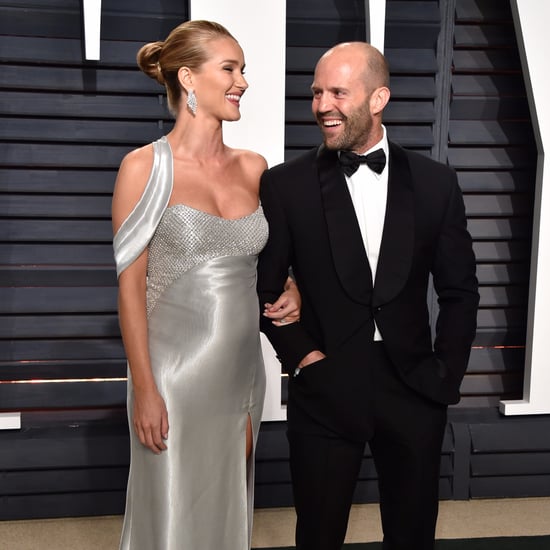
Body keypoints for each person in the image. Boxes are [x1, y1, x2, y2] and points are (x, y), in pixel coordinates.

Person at [257, 42, 480, 550]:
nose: (321, 105)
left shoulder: (436, 183)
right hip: (325, 386)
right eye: (316, 93)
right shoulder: (284, 185)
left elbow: (460, 291)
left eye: (338, 92)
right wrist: (305, 360)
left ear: (378, 98)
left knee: (411, 534)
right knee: (318, 536)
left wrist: (444, 377)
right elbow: (267, 288)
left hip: (414, 390)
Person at [111, 20, 300, 550]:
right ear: (189, 78)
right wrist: (145, 390)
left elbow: (270, 263)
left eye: (243, 69)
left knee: (224, 508)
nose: (242, 80)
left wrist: (293, 288)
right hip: (170, 377)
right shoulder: (143, 168)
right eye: (230, 68)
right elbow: (129, 291)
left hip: (242, 375)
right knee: (170, 516)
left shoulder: (255, 168)